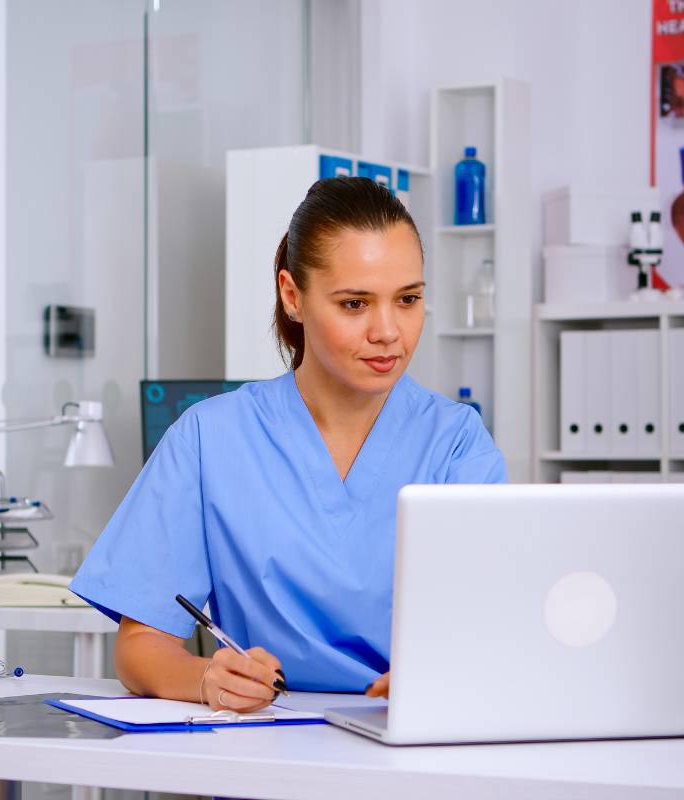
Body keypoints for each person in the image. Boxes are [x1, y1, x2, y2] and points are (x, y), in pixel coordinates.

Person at [71, 177, 505, 712]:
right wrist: (209, 677)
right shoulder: (211, 438)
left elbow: (495, 626)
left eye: (408, 299)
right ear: (292, 295)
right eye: (354, 304)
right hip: (266, 746)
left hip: (413, 751)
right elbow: (140, 647)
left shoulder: (456, 442)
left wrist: (448, 672)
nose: (388, 331)